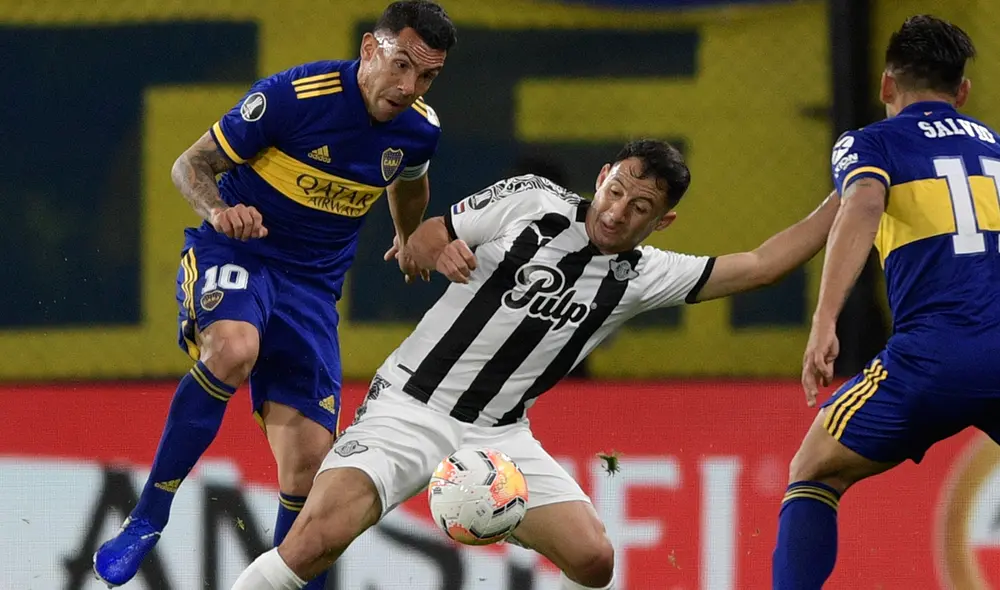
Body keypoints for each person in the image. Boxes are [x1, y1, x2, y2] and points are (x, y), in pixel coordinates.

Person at [228, 138, 840, 590]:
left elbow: (762, 265)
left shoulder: (648, 274)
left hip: (500, 438)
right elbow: (427, 233)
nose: (617, 212)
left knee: (594, 560)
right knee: (314, 541)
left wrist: (855, 191)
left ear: (663, 221)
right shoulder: (532, 200)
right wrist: (436, 252)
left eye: (640, 207)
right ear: (601, 178)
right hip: (410, 406)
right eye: (616, 191)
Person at [93, 2, 457, 587]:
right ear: (370, 49)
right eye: (401, 65)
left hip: (312, 290)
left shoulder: (420, 128)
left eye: (427, 76)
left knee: (311, 467)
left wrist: (407, 235)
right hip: (240, 254)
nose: (409, 87)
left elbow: (410, 181)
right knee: (234, 349)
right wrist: (220, 210)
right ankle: (148, 515)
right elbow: (190, 165)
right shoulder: (294, 97)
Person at [771, 15, 1000, 590]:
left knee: (813, 471)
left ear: (885, 85)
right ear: (962, 92)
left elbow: (864, 204)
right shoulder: (995, 148)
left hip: (933, 359)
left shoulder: (871, 143)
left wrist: (825, 318)